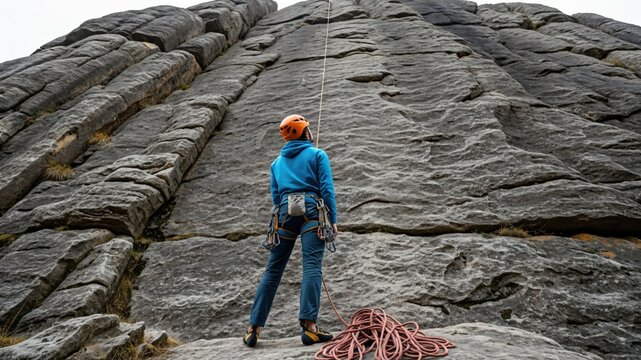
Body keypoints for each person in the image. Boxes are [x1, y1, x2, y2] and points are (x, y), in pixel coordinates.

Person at [243, 114, 339, 348]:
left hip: (284, 212)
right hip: (312, 211)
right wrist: (333, 219)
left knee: (273, 270)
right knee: (312, 265)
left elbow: (276, 197)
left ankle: (253, 329)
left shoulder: (276, 163)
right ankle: (309, 328)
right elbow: (326, 189)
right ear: (305, 132)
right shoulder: (318, 154)